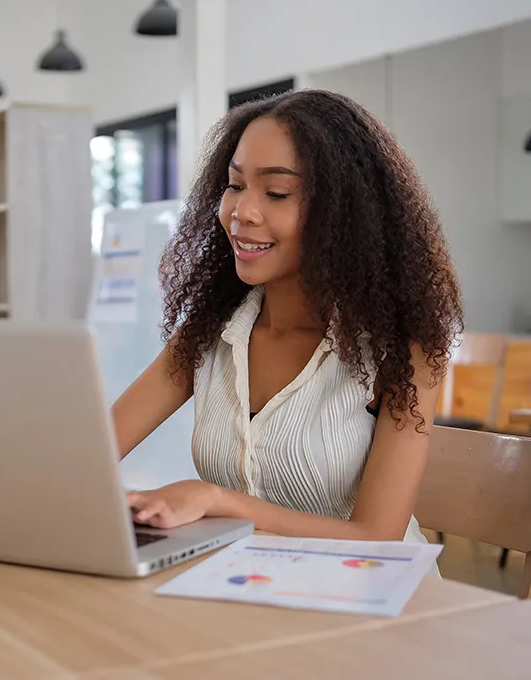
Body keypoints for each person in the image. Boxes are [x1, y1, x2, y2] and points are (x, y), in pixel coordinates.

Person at [113, 89, 462, 546]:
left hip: (373, 598)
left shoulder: (404, 349)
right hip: (248, 589)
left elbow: (377, 536)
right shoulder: (208, 333)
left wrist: (220, 502)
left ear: (346, 215)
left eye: (276, 193)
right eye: (235, 184)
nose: (242, 211)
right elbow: (89, 454)